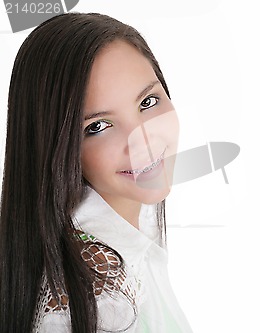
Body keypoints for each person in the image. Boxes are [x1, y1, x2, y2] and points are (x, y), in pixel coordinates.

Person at [0, 12, 193, 333]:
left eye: (148, 101)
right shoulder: (101, 306)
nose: (143, 141)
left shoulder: (131, 243)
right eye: (99, 126)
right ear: (55, 145)